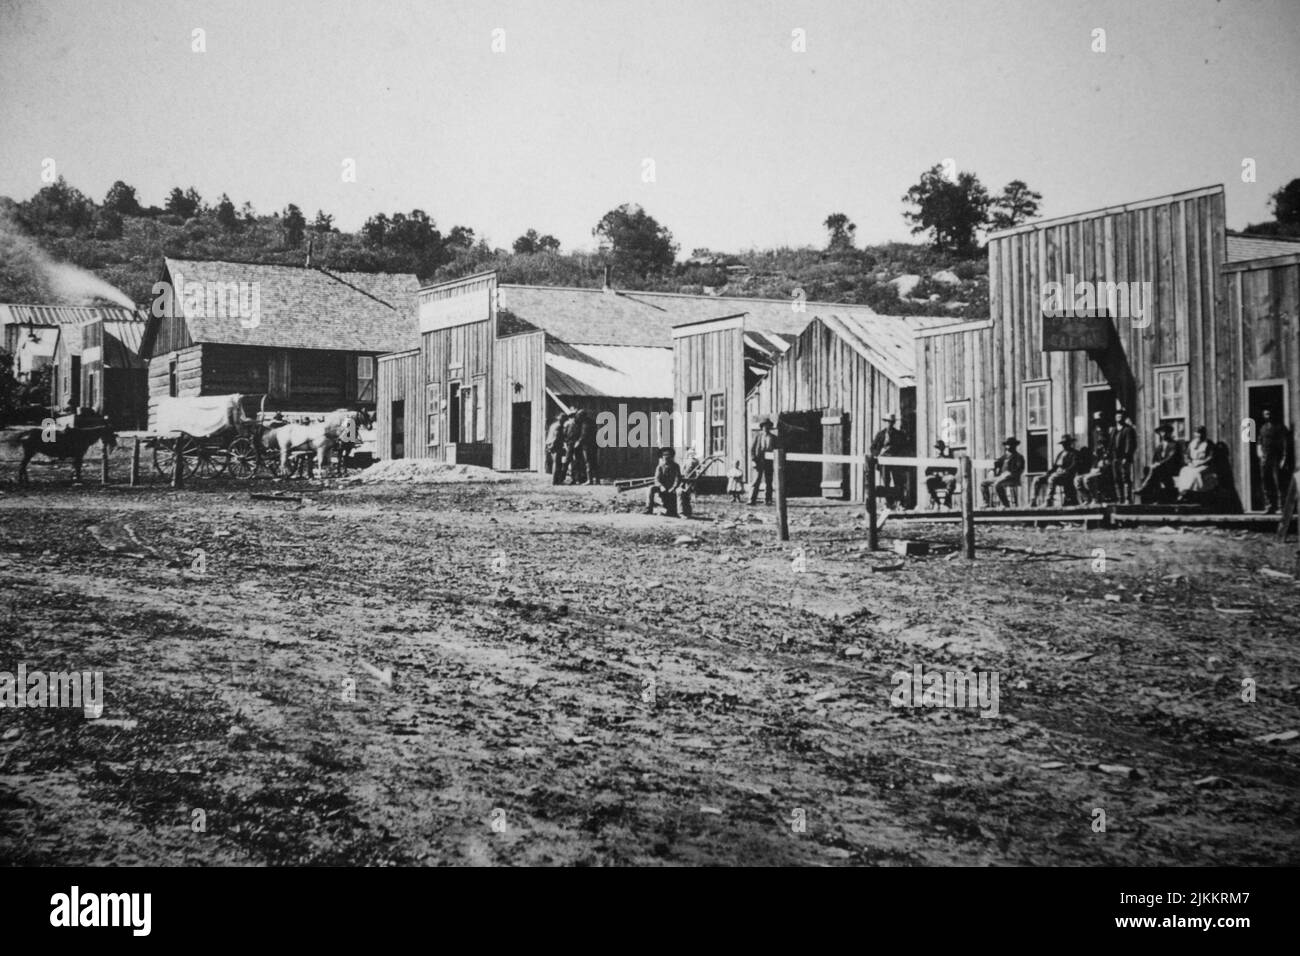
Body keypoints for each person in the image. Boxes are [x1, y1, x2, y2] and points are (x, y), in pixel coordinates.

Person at [1135, 423, 1181, 503]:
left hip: (1172, 468)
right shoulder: (1159, 446)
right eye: (1162, 432)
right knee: (1148, 469)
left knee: (1156, 469)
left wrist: (1159, 464)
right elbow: (1155, 458)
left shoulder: (1174, 444)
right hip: (1161, 469)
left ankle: (1145, 488)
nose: (1163, 434)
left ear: (1170, 433)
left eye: (1166, 432)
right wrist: (1152, 465)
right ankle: (1152, 497)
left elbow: (1171, 458)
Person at [1032, 434, 1080, 507]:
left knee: (1052, 478)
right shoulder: (1060, 454)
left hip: (1066, 476)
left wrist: (1066, 470)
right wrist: (1047, 473)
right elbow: (1055, 467)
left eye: (1066, 443)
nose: (1064, 445)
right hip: (1056, 473)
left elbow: (1074, 465)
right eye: (1063, 444)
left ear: (1070, 443)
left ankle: (1048, 501)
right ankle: (1033, 501)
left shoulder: (1074, 453)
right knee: (1037, 479)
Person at [1258, 408, 1290, 513]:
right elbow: (1259, 442)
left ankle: (1281, 506)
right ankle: (1269, 506)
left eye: (1269, 413)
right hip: (1265, 458)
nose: (1268, 416)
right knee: (1266, 482)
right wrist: (1260, 453)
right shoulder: (1263, 428)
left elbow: (1285, 443)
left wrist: (1284, 458)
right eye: (1266, 414)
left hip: (1276, 457)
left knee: (1278, 482)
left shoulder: (1280, 427)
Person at [870, 413, 908, 504]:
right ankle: (889, 502)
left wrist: (899, 457)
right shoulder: (880, 434)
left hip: (895, 461)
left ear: (893, 423)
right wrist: (877, 455)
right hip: (883, 461)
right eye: (887, 422)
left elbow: (904, 448)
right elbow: (873, 447)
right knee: (886, 481)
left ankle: (899, 502)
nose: (889, 424)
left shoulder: (899, 434)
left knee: (898, 481)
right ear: (885, 422)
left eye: (891, 422)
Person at [1176, 425, 1217, 500]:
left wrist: (1201, 463)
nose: (1199, 435)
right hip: (1193, 464)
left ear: (1204, 434)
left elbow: (1211, 457)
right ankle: (1183, 491)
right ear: (1195, 434)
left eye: (1201, 433)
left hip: (1204, 465)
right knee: (1184, 470)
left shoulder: (1209, 444)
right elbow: (1186, 455)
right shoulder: (1192, 443)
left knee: (1195, 473)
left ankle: (1193, 492)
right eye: (1197, 433)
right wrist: (1189, 462)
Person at [981, 437, 1025, 508]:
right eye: (1007, 445)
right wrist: (992, 470)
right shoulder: (1005, 457)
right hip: (1001, 477)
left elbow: (1019, 469)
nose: (1008, 446)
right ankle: (986, 503)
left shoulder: (1019, 457)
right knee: (983, 483)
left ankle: (1005, 504)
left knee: (997, 484)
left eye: (1010, 444)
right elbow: (996, 463)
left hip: (1012, 479)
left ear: (1014, 446)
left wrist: (1009, 474)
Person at [644, 447, 683, 517]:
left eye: (668, 455)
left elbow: (678, 479)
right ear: (662, 456)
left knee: (680, 491)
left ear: (671, 456)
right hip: (662, 488)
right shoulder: (660, 466)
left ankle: (681, 513)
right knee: (650, 488)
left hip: (673, 488)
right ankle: (648, 509)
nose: (666, 457)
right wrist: (661, 486)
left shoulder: (676, 466)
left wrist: (673, 488)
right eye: (664, 455)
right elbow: (657, 479)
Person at [1109, 410, 1137, 505]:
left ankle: (1127, 498)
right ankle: (1120, 498)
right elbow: (1111, 444)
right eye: (1117, 417)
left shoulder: (1128, 429)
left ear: (1123, 418)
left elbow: (1130, 444)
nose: (1118, 419)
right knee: (1116, 478)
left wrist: (1126, 456)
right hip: (1114, 458)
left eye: (1120, 417)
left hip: (1124, 458)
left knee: (1125, 477)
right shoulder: (1113, 430)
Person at [749, 417, 777, 505]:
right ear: (762, 427)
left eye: (768, 426)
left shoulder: (773, 437)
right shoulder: (758, 436)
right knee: (756, 480)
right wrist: (753, 460)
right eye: (764, 426)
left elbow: (777, 449)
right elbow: (752, 449)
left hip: (769, 461)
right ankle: (752, 499)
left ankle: (768, 499)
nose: (766, 428)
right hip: (759, 460)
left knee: (769, 481)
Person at [924, 440, 957, 508]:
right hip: (936, 480)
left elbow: (954, 470)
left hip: (945, 479)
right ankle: (936, 501)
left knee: (952, 479)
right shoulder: (933, 460)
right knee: (928, 481)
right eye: (936, 448)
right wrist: (934, 473)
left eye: (939, 448)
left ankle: (946, 502)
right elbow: (927, 472)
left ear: (943, 449)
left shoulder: (947, 459)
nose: (938, 450)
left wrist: (946, 473)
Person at [575, 408, 599, 485]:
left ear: (582, 416)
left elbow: (584, 435)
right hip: (594, 445)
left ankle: (590, 480)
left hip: (587, 446)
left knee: (588, 462)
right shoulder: (592, 421)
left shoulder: (585, 424)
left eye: (579, 416)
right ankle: (597, 480)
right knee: (594, 462)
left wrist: (578, 442)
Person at [550, 412, 573, 484]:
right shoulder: (559, 426)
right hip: (556, 446)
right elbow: (556, 437)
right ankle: (555, 481)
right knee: (557, 464)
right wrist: (553, 445)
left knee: (556, 463)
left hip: (551, 444)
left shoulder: (553, 425)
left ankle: (556, 480)